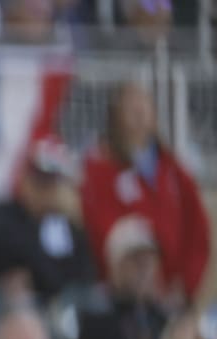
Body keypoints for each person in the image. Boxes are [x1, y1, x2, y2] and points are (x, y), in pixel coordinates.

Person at [80, 82, 209, 305]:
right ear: (115, 116)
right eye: (131, 106)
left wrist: (186, 285)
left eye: (144, 104)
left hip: (173, 297)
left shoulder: (173, 170)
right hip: (121, 296)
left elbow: (198, 232)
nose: (139, 112)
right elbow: (100, 229)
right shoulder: (99, 168)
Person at [0, 136, 95, 302]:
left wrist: (74, 221)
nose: (46, 191)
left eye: (53, 182)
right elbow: (12, 253)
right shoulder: (0, 215)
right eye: (40, 180)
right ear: (25, 178)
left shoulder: (66, 226)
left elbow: (80, 279)